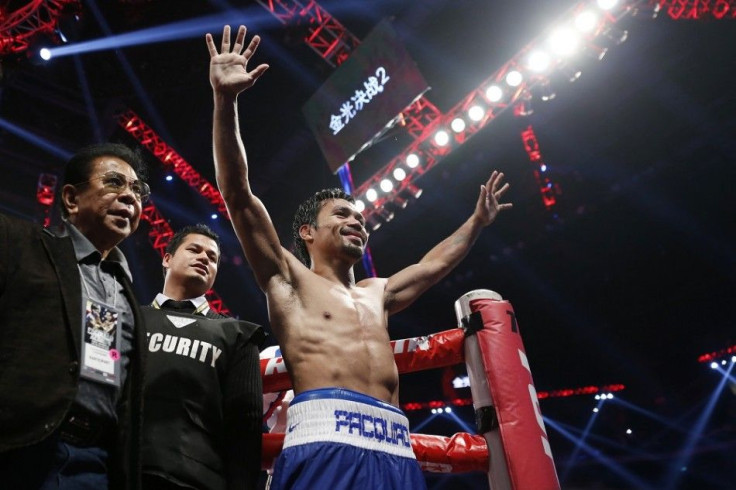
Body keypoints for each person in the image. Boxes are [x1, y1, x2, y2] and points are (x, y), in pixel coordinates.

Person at [206, 25, 512, 489]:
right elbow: (238, 195)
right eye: (343, 214)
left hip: (395, 445)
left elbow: (433, 266)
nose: (358, 221)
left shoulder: (377, 293)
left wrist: (476, 222)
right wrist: (225, 102)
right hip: (325, 438)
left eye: (361, 217)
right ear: (307, 232)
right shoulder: (287, 279)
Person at [0, 143, 149, 489]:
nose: (130, 197)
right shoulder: (18, 243)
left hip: (96, 465)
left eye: (137, 190)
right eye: (114, 183)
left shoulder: (128, 295)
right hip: (19, 453)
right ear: (71, 199)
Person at [140, 224, 265, 490]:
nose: (204, 258)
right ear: (167, 258)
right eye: (194, 250)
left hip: (199, 480)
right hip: (120, 468)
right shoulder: (129, 317)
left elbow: (246, 427)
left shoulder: (238, 335)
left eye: (212, 258)